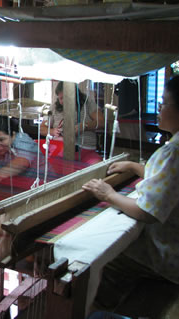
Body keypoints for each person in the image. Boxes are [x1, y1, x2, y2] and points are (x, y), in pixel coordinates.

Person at [82, 75, 179, 309]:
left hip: (169, 256)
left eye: (164, 103)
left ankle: (99, 310)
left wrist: (108, 194)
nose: (159, 108)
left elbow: (147, 212)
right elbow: (170, 181)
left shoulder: (174, 152)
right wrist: (135, 167)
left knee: (101, 260)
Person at [41, 81, 104, 164]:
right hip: (60, 150)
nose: (63, 101)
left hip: (86, 151)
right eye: (60, 98)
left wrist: (84, 126)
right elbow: (42, 129)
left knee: (96, 167)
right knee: (52, 167)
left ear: (75, 94)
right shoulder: (54, 107)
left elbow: (102, 122)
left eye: (66, 97)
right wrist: (53, 131)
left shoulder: (87, 103)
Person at [0, 115, 39, 187]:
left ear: (13, 135)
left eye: (1, 140)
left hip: (37, 183)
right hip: (13, 183)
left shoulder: (22, 140)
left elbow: (22, 161)